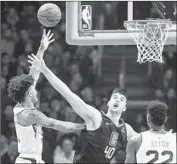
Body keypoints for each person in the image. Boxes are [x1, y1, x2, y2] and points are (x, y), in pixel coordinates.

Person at [28, 52, 138, 163]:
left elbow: (145, 140)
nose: (118, 100)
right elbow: (67, 93)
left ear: (124, 108)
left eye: (122, 99)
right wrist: (45, 70)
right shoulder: (95, 117)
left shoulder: (126, 129)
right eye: (115, 97)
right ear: (109, 103)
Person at [7, 29, 86, 164]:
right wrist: (83, 126)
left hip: (32, 159)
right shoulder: (30, 115)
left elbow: (34, 73)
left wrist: (42, 49)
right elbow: (56, 124)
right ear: (30, 93)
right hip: (28, 161)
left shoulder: (21, 104)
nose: (36, 90)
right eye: (34, 89)